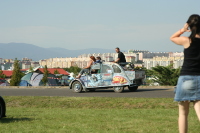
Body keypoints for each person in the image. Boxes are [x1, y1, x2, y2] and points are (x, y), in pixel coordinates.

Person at [170, 14, 200, 133]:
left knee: (183, 114)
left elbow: (172, 38)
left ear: (190, 25)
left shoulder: (187, 40)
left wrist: (183, 29)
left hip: (186, 78)